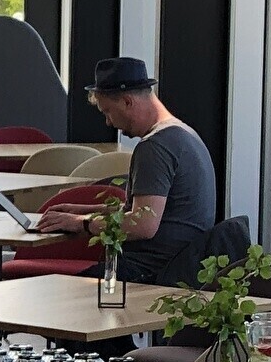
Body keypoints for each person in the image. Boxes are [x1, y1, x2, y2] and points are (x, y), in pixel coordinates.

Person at [30, 55, 218, 285]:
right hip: (181, 268)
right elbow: (150, 211)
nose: (108, 122)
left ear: (128, 102)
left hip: (150, 273)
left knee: (55, 293)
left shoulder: (155, 147)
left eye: (108, 111)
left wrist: (81, 224)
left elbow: (143, 225)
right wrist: (83, 212)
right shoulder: (185, 135)